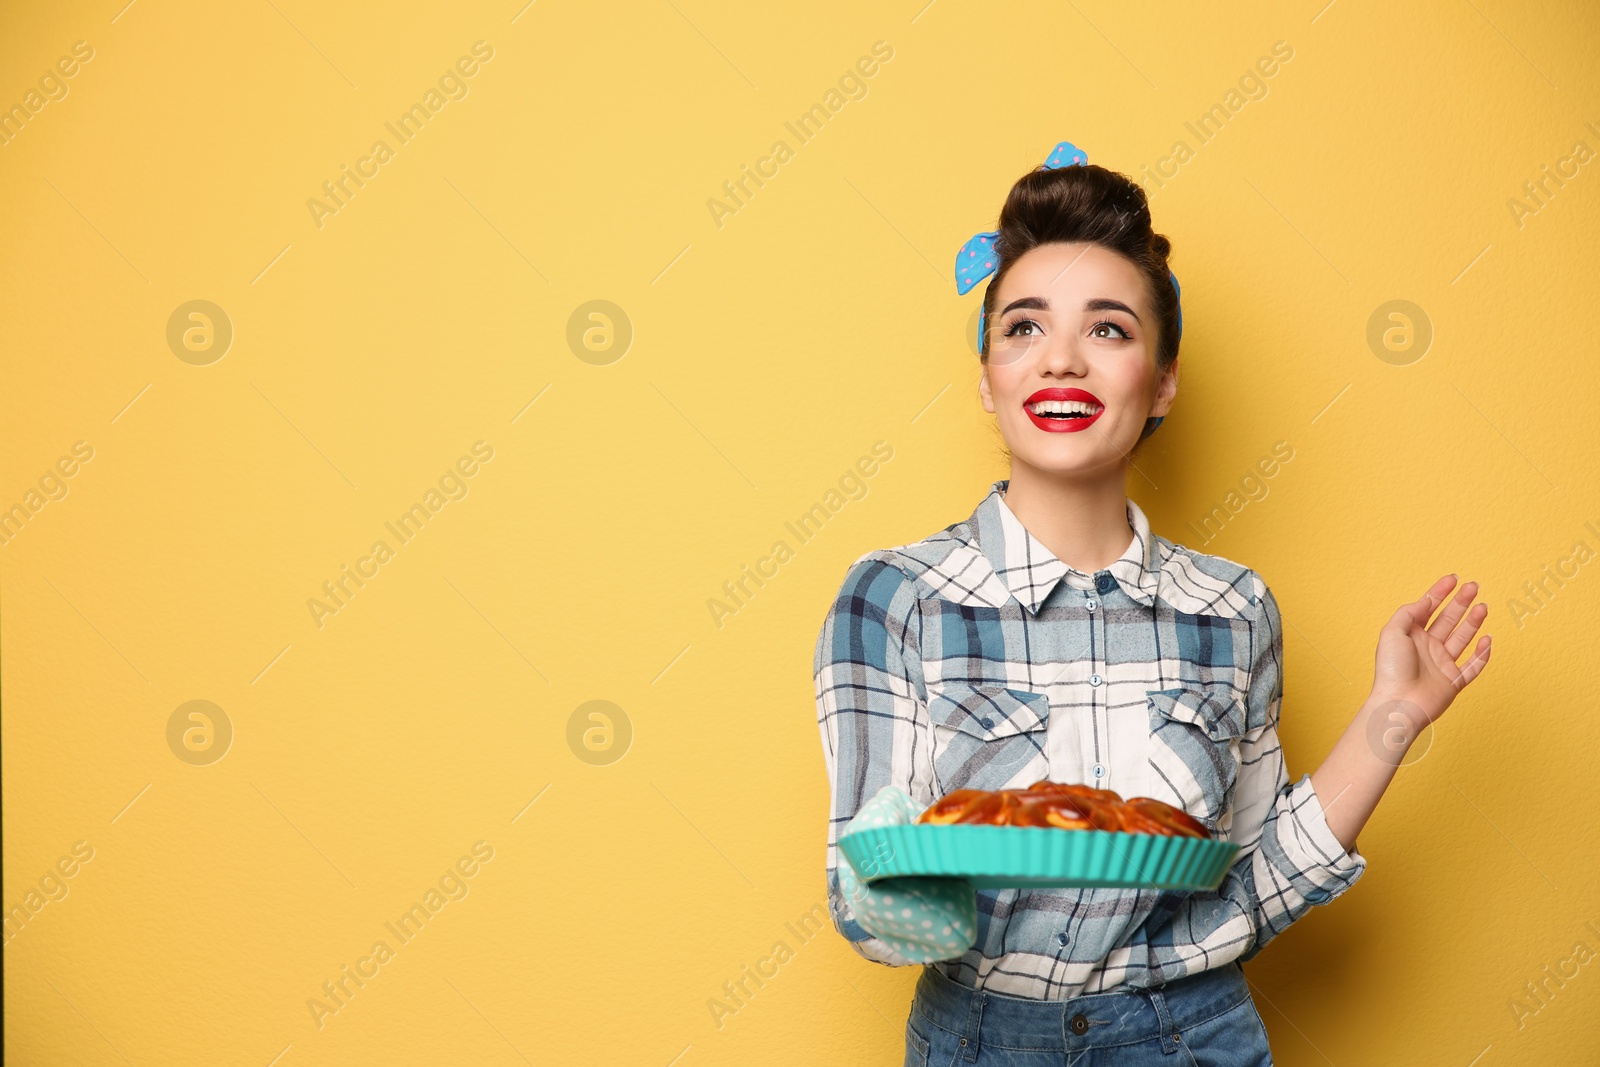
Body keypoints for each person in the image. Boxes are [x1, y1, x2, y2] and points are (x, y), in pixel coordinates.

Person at [812, 141, 1493, 1065]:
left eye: (1108, 329)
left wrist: (1392, 717)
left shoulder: (1235, 608)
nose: (1060, 359)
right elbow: (865, 903)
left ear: (1163, 379)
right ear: (987, 376)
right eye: (1022, 327)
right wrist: (930, 875)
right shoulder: (893, 598)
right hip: (980, 1039)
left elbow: (1246, 893)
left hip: (1192, 1034)